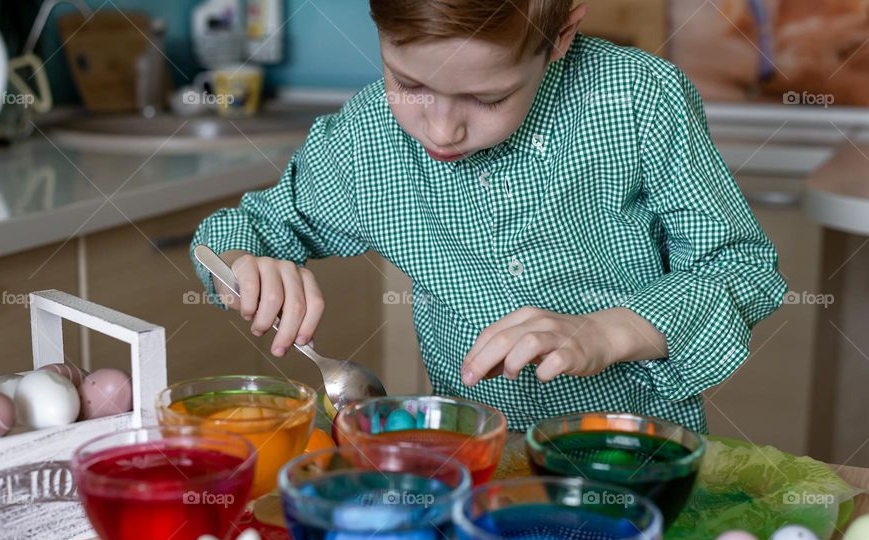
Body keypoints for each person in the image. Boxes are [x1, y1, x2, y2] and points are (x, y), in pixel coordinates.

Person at [190, 0, 787, 433]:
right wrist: (247, 266)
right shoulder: (363, 140)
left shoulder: (638, 100)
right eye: (409, 83)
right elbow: (226, 238)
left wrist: (608, 331)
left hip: (635, 460)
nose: (442, 129)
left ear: (562, 33)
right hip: (474, 461)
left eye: (488, 98)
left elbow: (743, 268)